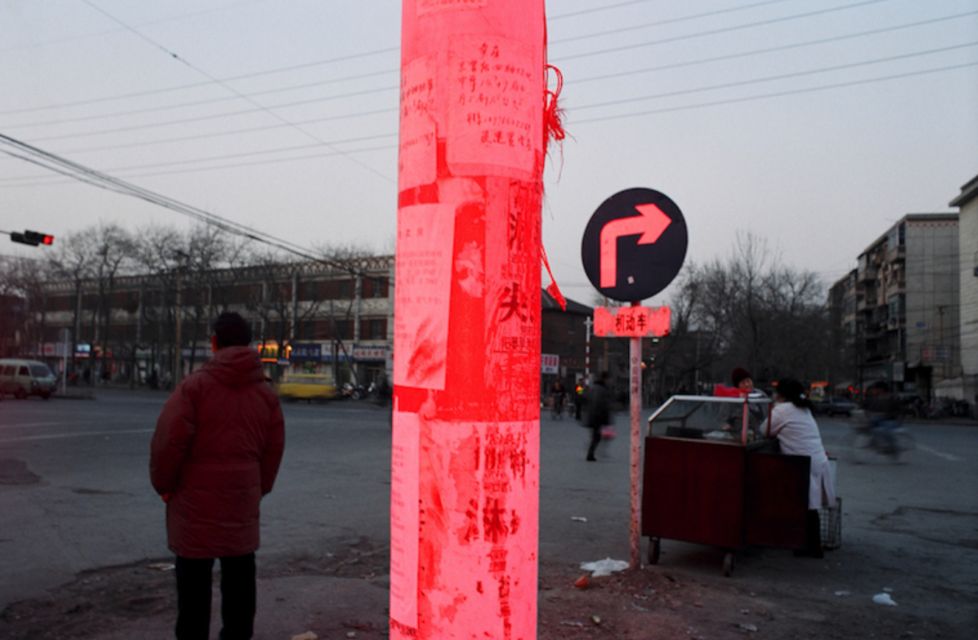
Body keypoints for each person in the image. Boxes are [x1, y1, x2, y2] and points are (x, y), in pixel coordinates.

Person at [150, 312, 285, 640]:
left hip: (195, 508)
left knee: (193, 588)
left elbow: (168, 444)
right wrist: (257, 489)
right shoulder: (266, 395)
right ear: (249, 345)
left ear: (214, 343)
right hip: (241, 502)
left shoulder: (194, 387)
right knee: (240, 582)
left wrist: (165, 487)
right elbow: (273, 451)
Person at [760, 378, 836, 558]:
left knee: (804, 505)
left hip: (803, 464)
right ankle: (812, 544)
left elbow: (765, 431)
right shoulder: (804, 408)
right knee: (810, 505)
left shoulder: (783, 409)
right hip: (816, 460)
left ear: (782, 395)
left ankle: (808, 546)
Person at [585, 372, 612, 461]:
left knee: (596, 436)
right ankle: (590, 454)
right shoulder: (601, 389)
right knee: (596, 437)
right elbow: (601, 404)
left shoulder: (593, 387)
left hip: (593, 415)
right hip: (597, 416)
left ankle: (591, 452)